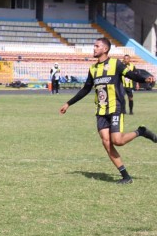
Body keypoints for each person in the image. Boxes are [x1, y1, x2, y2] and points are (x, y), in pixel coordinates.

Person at [59, 37, 157, 185]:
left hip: (115, 107)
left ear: (105, 49)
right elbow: (86, 89)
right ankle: (125, 176)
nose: (94, 48)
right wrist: (68, 103)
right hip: (101, 110)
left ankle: (141, 132)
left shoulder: (115, 64)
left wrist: (145, 79)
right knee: (106, 142)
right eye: (94, 46)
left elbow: (132, 75)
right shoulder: (93, 69)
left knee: (117, 141)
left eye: (97, 46)